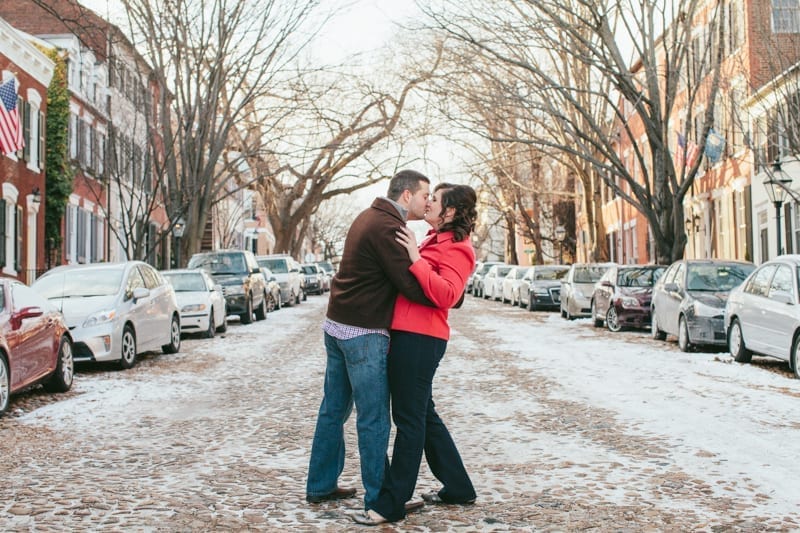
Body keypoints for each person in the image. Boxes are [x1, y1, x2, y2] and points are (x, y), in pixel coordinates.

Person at [306, 170, 434, 509]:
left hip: (337, 327)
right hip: (362, 334)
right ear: (407, 195)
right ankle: (379, 498)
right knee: (373, 418)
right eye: (425, 195)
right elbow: (409, 284)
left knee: (333, 410)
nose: (428, 202)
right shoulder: (388, 227)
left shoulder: (368, 216)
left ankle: (320, 485)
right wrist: (445, 295)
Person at [353, 184, 479, 525]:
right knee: (424, 416)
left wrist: (415, 260)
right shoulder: (432, 239)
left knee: (408, 422)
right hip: (409, 334)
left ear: (450, 212)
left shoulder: (458, 247)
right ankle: (458, 486)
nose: (428, 203)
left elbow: (448, 294)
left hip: (421, 339)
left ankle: (391, 504)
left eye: (435, 200)